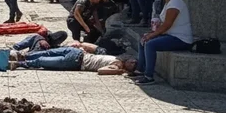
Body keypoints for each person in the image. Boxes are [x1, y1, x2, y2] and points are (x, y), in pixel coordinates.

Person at [134, 0, 192, 85]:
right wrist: (151, 32)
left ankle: (149, 76)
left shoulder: (175, 2)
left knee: (150, 44)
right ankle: (140, 70)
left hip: (180, 39)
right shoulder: (169, 3)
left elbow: (167, 24)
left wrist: (152, 35)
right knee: (143, 38)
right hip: (171, 35)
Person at [8, 46, 137, 74]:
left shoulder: (116, 66)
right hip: (78, 53)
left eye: (133, 64)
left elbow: (101, 71)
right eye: (132, 60)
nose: (132, 61)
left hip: (75, 62)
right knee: (48, 52)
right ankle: (21, 55)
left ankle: (19, 63)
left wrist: (121, 71)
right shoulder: (116, 57)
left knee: (43, 61)